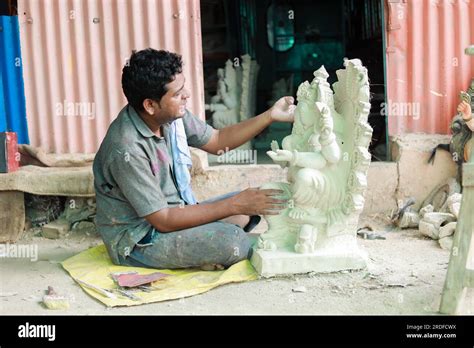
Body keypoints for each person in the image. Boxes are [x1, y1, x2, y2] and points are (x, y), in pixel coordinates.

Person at [93, 48, 296, 270]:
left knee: (250, 205)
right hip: (141, 238)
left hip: (176, 211)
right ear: (150, 105)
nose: (187, 95)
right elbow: (163, 219)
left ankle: (204, 250)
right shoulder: (126, 148)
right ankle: (206, 250)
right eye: (178, 93)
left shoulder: (170, 117)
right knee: (234, 241)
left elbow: (218, 141)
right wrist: (233, 204)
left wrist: (270, 116)